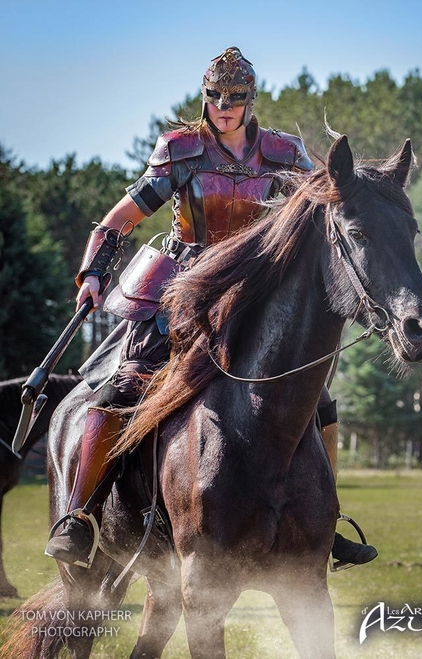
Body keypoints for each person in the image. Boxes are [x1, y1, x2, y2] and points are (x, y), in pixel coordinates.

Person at [45, 47, 377, 569]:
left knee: (321, 400)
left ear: (250, 101)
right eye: (215, 97)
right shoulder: (182, 150)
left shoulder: (284, 154)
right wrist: (93, 271)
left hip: (253, 293)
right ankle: (81, 517)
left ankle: (326, 523)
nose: (224, 107)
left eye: (235, 98)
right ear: (205, 99)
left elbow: (327, 199)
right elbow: (122, 218)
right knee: (122, 385)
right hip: (182, 290)